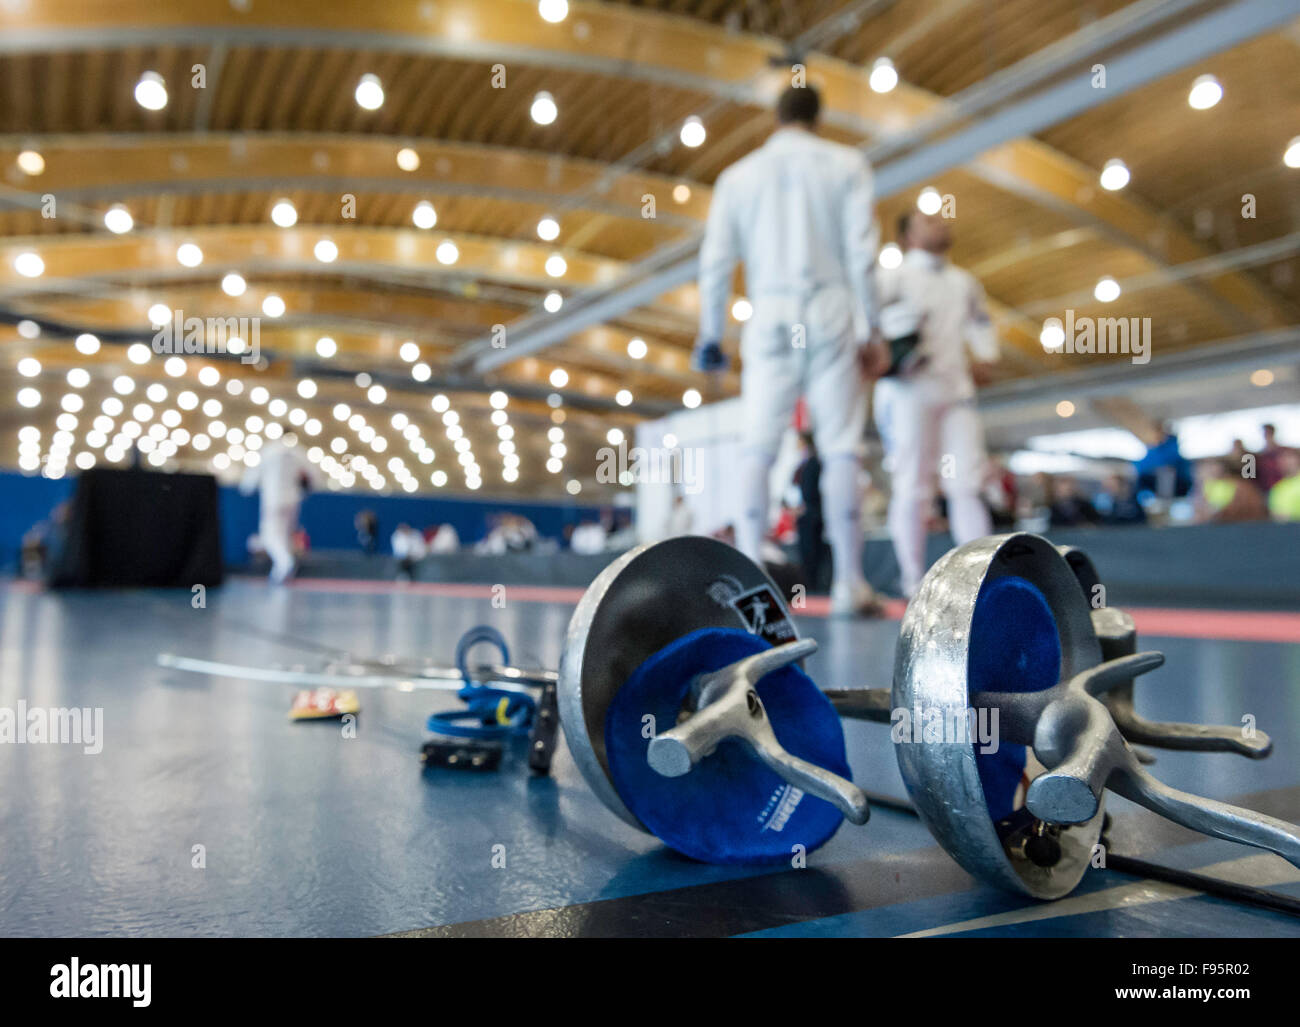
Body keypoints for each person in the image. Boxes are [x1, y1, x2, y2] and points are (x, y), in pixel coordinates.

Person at [694, 82, 882, 617]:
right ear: (819, 117)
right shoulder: (848, 164)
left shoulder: (738, 176)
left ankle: (750, 577)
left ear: (774, 117)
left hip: (769, 313)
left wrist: (711, 336)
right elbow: (863, 253)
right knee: (841, 446)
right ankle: (849, 585)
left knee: (758, 446)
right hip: (829, 311)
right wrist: (874, 330)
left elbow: (714, 263)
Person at [873, 210, 998, 598]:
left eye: (941, 221)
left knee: (966, 482)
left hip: (955, 392)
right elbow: (866, 324)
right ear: (908, 236)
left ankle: (979, 579)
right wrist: (886, 350)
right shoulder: (891, 278)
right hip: (909, 394)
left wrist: (986, 356)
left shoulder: (964, 282)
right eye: (929, 222)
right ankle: (913, 579)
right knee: (913, 485)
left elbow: (981, 322)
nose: (941, 224)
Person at [240, 437, 317, 583]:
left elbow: (253, 473)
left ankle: (284, 563)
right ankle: (282, 572)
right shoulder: (299, 452)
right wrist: (307, 490)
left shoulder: (269, 450)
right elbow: (313, 474)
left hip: (273, 498)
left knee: (270, 535)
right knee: (286, 536)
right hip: (293, 499)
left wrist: (246, 487)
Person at [1267, 448, 1300, 521]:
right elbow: (1274, 514)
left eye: (1289, 457)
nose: (1285, 462)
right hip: (1284, 530)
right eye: (1282, 459)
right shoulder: (1277, 488)